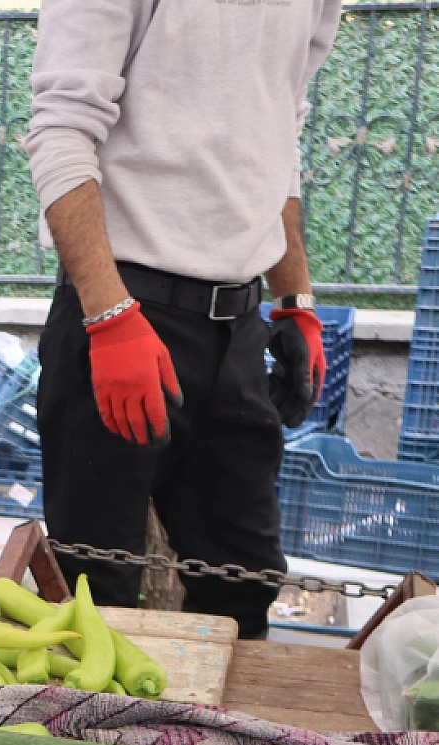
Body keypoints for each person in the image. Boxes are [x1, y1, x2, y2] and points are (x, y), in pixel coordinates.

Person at [23, 0, 341, 639]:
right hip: (122, 313)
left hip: (240, 327)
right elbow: (61, 131)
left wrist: (295, 301)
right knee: (95, 592)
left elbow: (278, 130)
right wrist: (111, 319)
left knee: (244, 586)